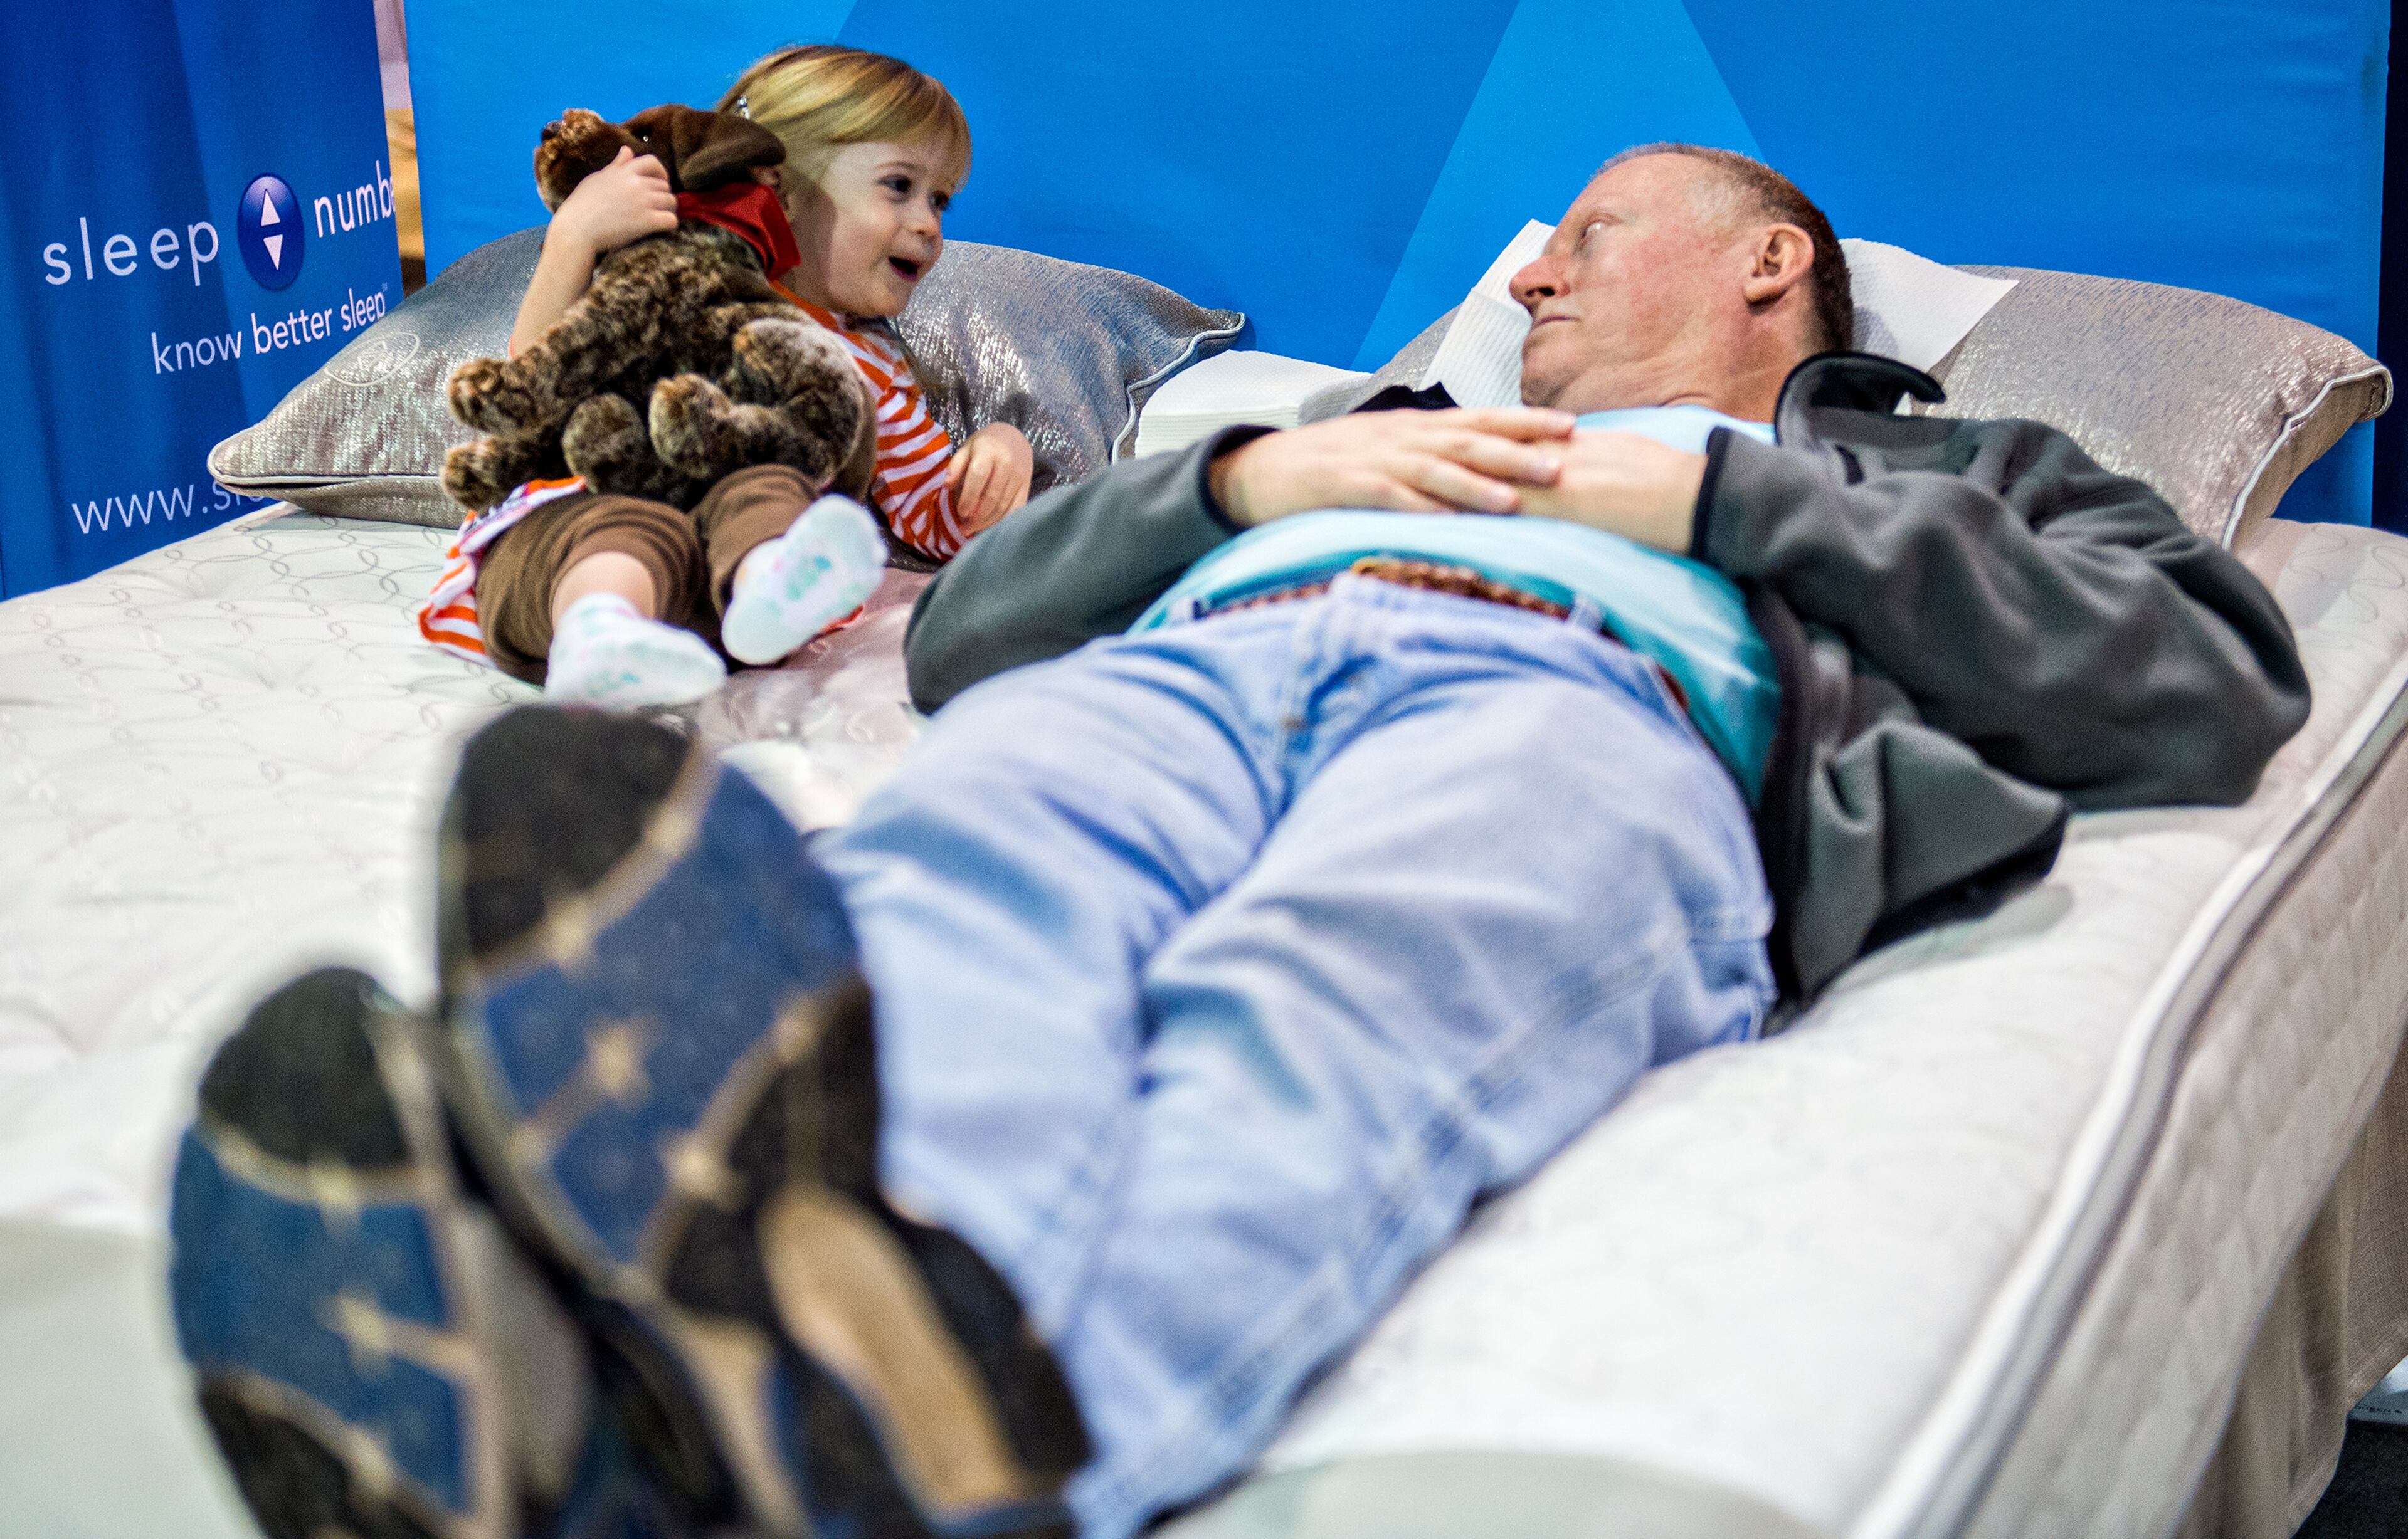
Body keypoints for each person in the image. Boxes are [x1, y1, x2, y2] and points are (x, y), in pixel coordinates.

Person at [171, 146, 2310, 1539]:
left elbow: (2206, 680)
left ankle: (825, 1456)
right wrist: (1239, 493)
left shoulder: (1953, 464)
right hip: (1204, 655)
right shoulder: (1336, 423)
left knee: (1319, 1001)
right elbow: (967, 643)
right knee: (957, 890)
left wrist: (1713, 507)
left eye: (1590, 226)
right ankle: (774, 1368)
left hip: (1592, 695)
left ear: (1774, 262)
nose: (1536, 266)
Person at [416, 45, 1037, 709]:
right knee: (625, 520)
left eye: (941, 200)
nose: (929, 225)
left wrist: (1001, 456)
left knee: (765, 483)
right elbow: (537, 381)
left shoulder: (866, 365)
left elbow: (930, 519)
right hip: (570, 556)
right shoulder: (675, 282)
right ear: (783, 189)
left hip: (716, 615)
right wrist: (576, 237)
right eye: (900, 186)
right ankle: (598, 636)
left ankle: (770, 580)